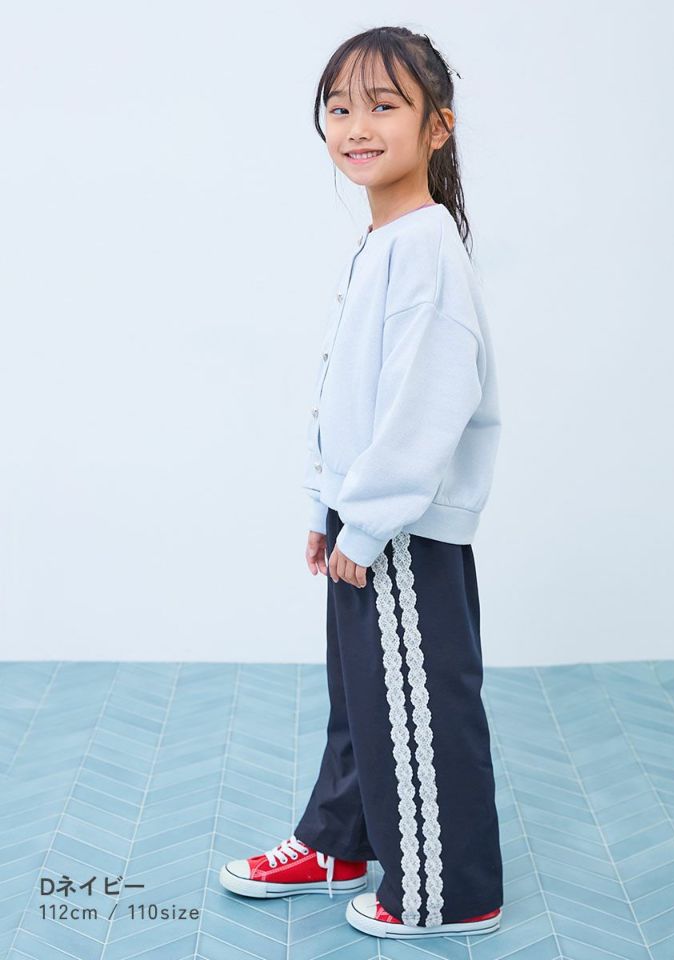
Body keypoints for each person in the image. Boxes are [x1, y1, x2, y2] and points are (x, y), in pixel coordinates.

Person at [219, 25, 503, 940]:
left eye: (384, 106)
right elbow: (351, 392)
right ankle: (339, 839)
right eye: (340, 108)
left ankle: (450, 894)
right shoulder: (386, 242)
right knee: (366, 698)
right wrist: (328, 503)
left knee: (420, 708)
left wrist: (370, 519)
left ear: (438, 126)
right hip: (369, 515)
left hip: (403, 528)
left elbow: (426, 404)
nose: (357, 126)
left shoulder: (425, 249)